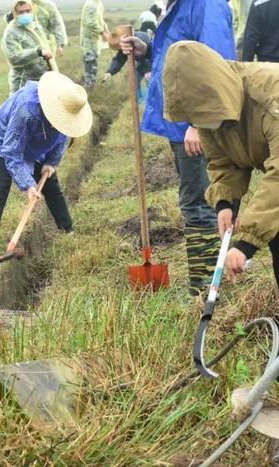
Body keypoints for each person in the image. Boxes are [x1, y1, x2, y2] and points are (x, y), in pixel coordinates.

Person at [120, 0, 236, 296]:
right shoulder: (177, 6)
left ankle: (207, 289)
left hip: (197, 126)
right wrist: (146, 49)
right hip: (181, 124)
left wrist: (198, 123)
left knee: (200, 203)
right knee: (196, 200)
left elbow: (215, 65)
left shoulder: (205, 5)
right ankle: (209, 281)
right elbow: (180, 55)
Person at [162, 41, 279, 285]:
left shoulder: (269, 96)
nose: (200, 123)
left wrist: (245, 244)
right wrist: (225, 202)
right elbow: (224, 160)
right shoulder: (206, 112)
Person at [0, 72, 92, 263]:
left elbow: (62, 136)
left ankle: (68, 232)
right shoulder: (27, 110)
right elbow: (12, 152)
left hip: (34, 143)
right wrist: (29, 185)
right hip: (1, 143)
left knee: (51, 185)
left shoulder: (65, 113)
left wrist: (50, 162)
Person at [2, 0, 56, 94]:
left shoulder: (35, 26)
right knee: (23, 108)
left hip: (42, 79)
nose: (25, 14)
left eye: (28, 10)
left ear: (33, 10)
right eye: (21, 12)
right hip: (23, 82)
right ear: (15, 13)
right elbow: (14, 57)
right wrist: (38, 52)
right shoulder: (11, 32)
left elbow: (44, 45)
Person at [102, 25, 153, 103]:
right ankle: (139, 99)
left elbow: (147, 56)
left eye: (119, 48)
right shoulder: (125, 43)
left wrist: (147, 70)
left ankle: (152, 100)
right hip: (141, 63)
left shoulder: (141, 38)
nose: (120, 50)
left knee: (151, 81)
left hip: (152, 61)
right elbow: (119, 59)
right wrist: (110, 71)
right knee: (135, 79)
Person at [79, 0, 108, 89]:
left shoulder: (97, 3)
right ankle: (89, 88)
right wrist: (102, 32)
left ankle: (91, 86)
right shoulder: (91, 5)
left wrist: (106, 29)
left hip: (93, 39)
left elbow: (100, 20)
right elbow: (91, 23)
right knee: (91, 64)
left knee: (92, 62)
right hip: (89, 40)